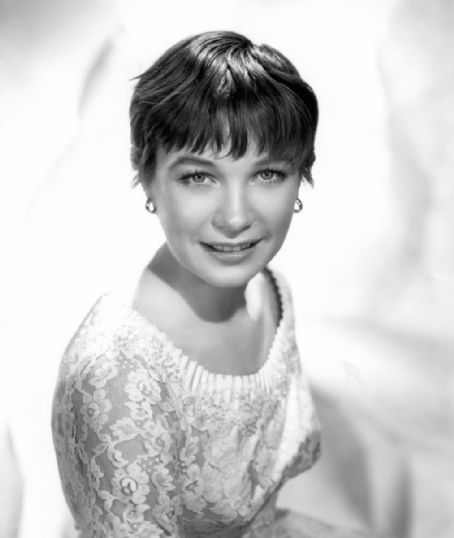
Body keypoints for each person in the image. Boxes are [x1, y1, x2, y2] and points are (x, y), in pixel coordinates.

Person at [51, 31, 368, 538]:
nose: (236, 217)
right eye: (199, 177)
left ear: (301, 174)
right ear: (146, 175)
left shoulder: (271, 291)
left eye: (267, 173)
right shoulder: (116, 376)